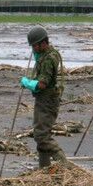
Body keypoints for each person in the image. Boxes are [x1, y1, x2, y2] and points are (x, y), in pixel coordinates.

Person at [19, 26, 66, 168]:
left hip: (47, 100)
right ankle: (44, 167)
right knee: (41, 133)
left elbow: (42, 84)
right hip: (44, 100)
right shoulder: (50, 54)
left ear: (43, 43)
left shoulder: (48, 59)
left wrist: (28, 83)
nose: (33, 49)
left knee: (41, 136)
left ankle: (64, 164)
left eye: (35, 46)